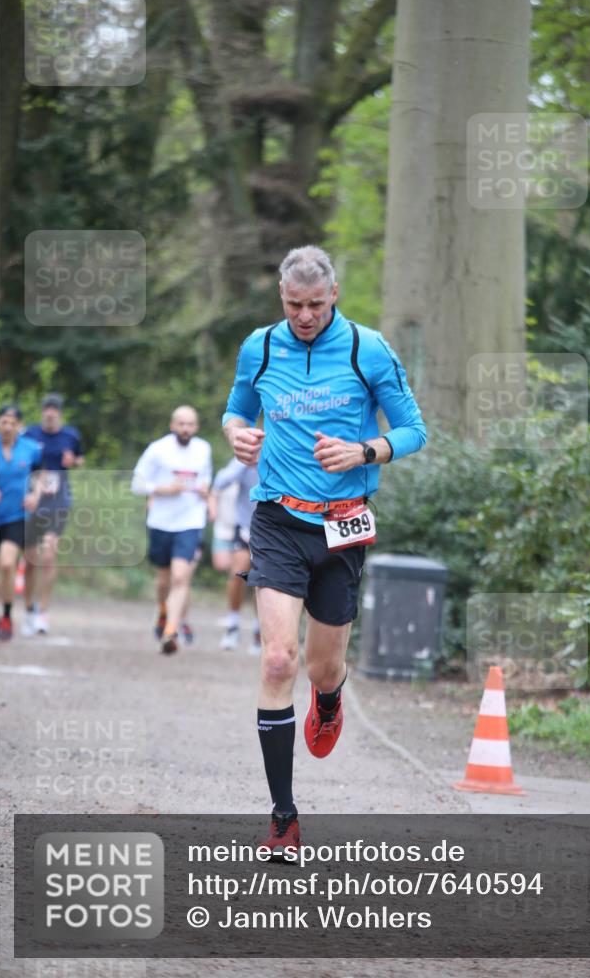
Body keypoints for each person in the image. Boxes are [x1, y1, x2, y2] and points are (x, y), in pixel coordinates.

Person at [222, 245, 426, 853]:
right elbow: (235, 409)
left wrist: (365, 452)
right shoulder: (259, 346)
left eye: (314, 304)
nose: (304, 316)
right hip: (278, 519)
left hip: (340, 526)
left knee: (321, 666)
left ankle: (330, 699)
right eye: (293, 305)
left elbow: (414, 430)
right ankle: (283, 816)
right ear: (280, 298)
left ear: (334, 293)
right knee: (278, 661)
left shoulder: (369, 349)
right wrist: (238, 435)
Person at [131, 405, 212, 655]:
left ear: (196, 427)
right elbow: (137, 483)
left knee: (180, 576)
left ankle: (170, 631)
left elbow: (207, 478)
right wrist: (163, 488)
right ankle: (163, 611)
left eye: (190, 424)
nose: (185, 428)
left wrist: (204, 489)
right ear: (172, 425)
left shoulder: (203, 449)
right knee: (164, 578)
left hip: (190, 521)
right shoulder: (158, 449)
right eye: (181, 424)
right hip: (161, 522)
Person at [23, 393, 84, 635]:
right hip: (32, 500)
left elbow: (80, 459)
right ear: (42, 411)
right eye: (46, 408)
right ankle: (28, 609)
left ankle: (43, 612)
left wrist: (74, 462)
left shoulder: (71, 435)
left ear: (59, 412)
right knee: (30, 560)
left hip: (58, 501)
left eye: (54, 409)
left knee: (48, 555)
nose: (50, 412)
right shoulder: (29, 434)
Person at [0, 406, 43, 641]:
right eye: (3, 422)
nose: (7, 427)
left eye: (12, 423)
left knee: (6, 564)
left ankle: (6, 614)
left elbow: (41, 476)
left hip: (15, 516)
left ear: (19, 426)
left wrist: (35, 493)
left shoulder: (31, 449)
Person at [208, 459, 260, 653]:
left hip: (271, 529)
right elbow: (220, 482)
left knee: (263, 581)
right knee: (238, 574)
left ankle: (259, 631)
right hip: (245, 526)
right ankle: (233, 625)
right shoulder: (244, 460)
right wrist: (245, 462)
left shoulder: (281, 456)